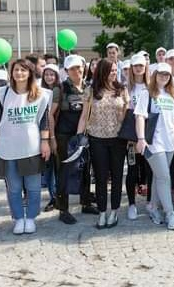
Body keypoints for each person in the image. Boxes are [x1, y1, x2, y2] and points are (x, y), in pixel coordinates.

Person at [0, 59, 52, 235]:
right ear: (11, 73)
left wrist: (45, 142)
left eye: (23, 70)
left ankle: (31, 217)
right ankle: (18, 218)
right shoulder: (3, 94)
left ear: (30, 73)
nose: (19, 73)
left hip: (31, 147)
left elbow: (44, 121)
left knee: (33, 186)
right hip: (8, 147)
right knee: (14, 187)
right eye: (16, 70)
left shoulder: (41, 94)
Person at [77, 59, 129, 229]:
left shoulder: (122, 89)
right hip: (96, 139)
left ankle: (114, 211)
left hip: (117, 140)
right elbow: (84, 115)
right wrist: (79, 139)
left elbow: (125, 114)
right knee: (100, 178)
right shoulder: (91, 90)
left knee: (116, 177)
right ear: (102, 71)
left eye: (115, 70)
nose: (114, 73)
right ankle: (101, 212)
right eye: (111, 70)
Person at [135, 62, 174, 230]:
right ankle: (170, 214)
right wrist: (141, 138)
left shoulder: (171, 95)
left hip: (169, 143)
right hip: (153, 144)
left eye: (167, 74)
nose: (164, 76)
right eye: (161, 73)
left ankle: (152, 207)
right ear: (155, 75)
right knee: (164, 178)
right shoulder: (147, 93)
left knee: (158, 176)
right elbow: (140, 116)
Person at [53, 55, 97, 225]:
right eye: (72, 69)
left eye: (79, 67)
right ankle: (63, 209)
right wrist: (51, 139)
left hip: (84, 135)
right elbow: (50, 115)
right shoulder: (60, 89)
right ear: (66, 71)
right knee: (64, 171)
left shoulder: (88, 87)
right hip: (64, 136)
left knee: (85, 168)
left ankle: (85, 202)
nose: (76, 71)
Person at [125, 53, 151, 220]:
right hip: (131, 135)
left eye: (141, 66)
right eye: (136, 66)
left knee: (149, 169)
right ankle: (132, 204)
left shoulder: (151, 87)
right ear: (132, 69)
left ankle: (149, 202)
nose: (139, 69)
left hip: (149, 133)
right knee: (133, 170)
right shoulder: (127, 88)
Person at [40, 64, 62, 212]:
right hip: (42, 131)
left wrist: (50, 137)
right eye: (46, 74)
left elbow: (49, 114)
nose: (49, 77)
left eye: (52, 75)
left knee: (53, 167)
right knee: (48, 168)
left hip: (51, 131)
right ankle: (53, 196)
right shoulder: (41, 90)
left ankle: (56, 197)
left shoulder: (56, 90)